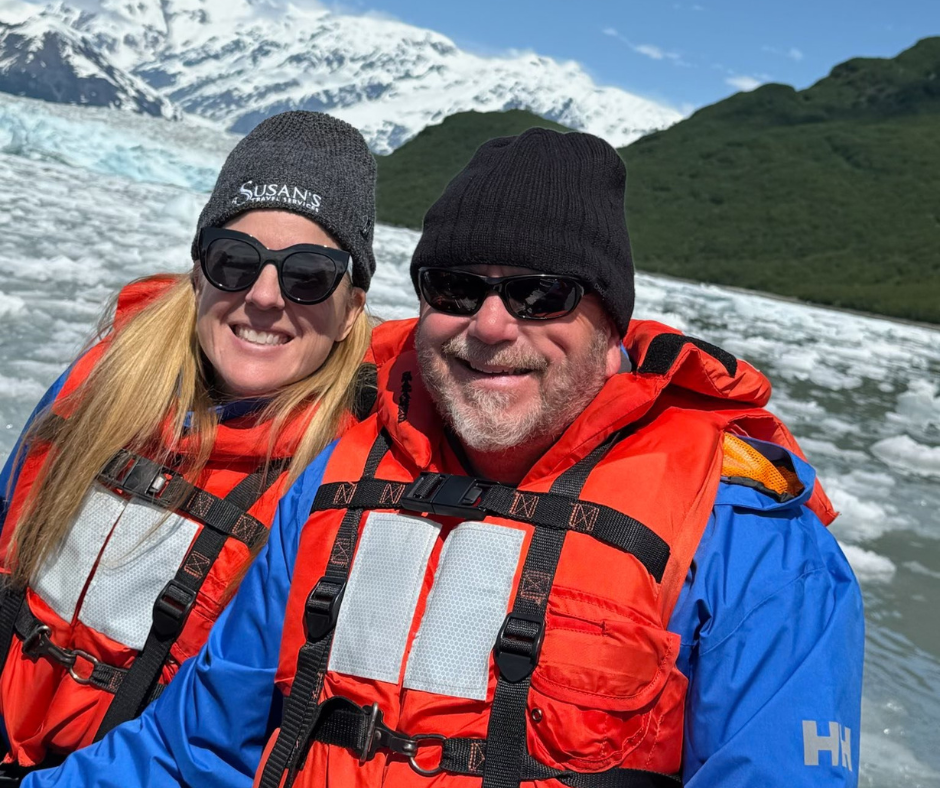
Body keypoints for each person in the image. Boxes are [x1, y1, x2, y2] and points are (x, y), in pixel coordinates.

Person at [22, 129, 864, 788]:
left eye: (541, 294)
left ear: (610, 323)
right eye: (457, 289)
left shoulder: (751, 540)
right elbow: (195, 747)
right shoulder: (342, 477)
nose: (491, 325)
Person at [0, 111, 381, 781]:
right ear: (200, 273)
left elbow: (219, 747)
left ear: (351, 309)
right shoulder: (100, 383)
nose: (264, 297)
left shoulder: (339, 483)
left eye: (308, 275)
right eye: (235, 260)